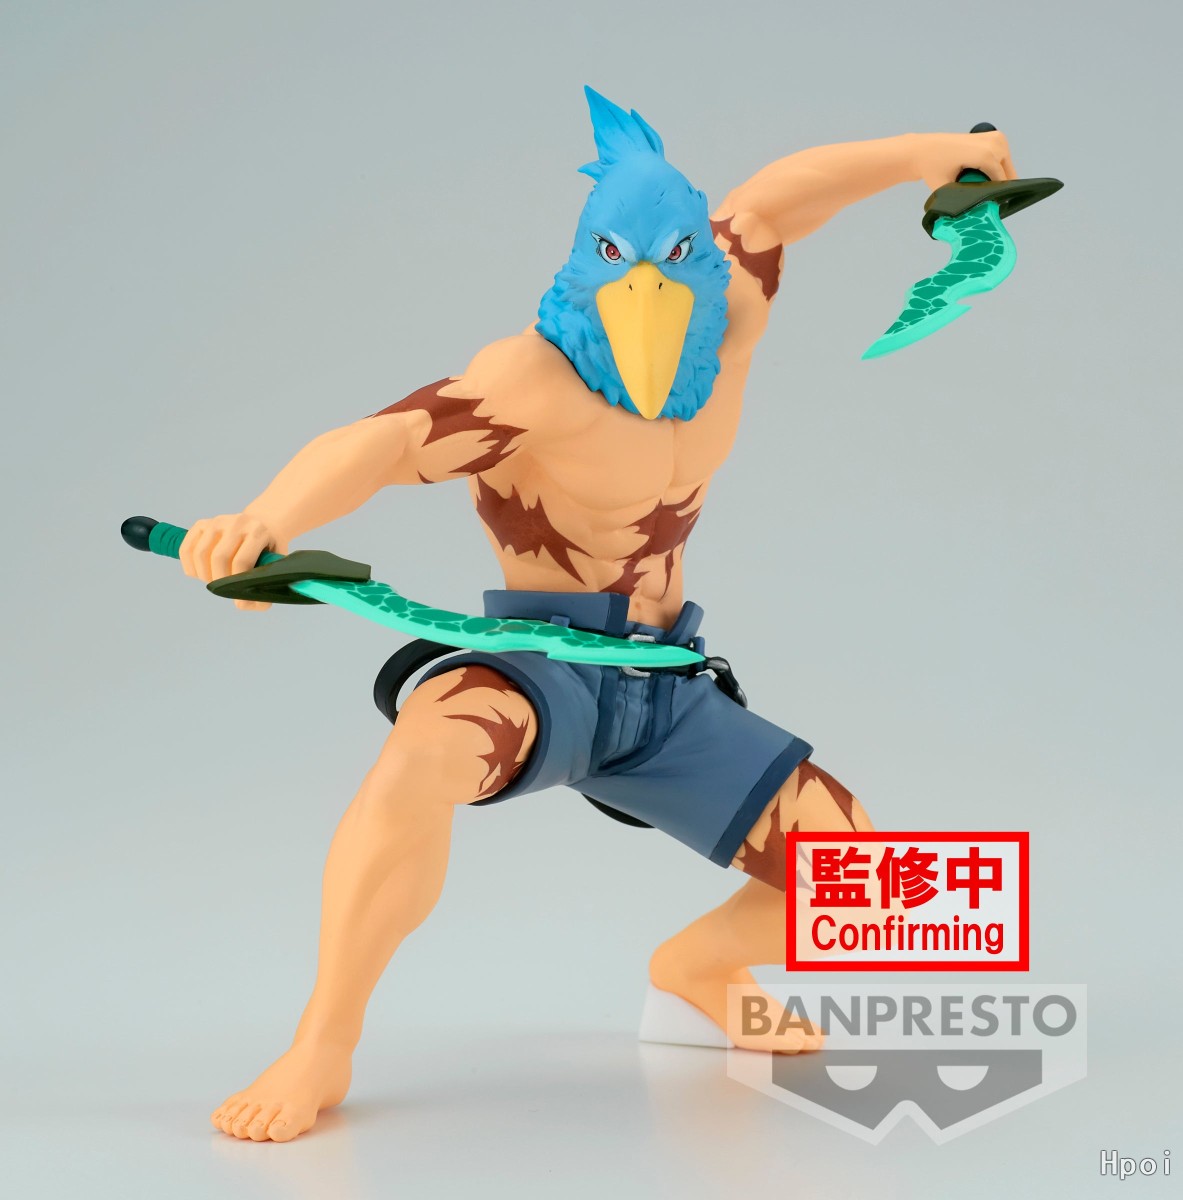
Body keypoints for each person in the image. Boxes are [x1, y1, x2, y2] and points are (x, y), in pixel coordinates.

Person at [183, 88, 1017, 1142]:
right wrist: (265, 518)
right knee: (418, 760)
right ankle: (321, 1043)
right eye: (621, 261)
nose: (648, 287)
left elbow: (773, 202)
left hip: (667, 685)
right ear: (588, 259)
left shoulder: (731, 313)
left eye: (674, 260)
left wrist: (928, 154)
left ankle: (699, 969)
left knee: (865, 882)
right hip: (540, 673)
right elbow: (386, 442)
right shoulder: (530, 381)